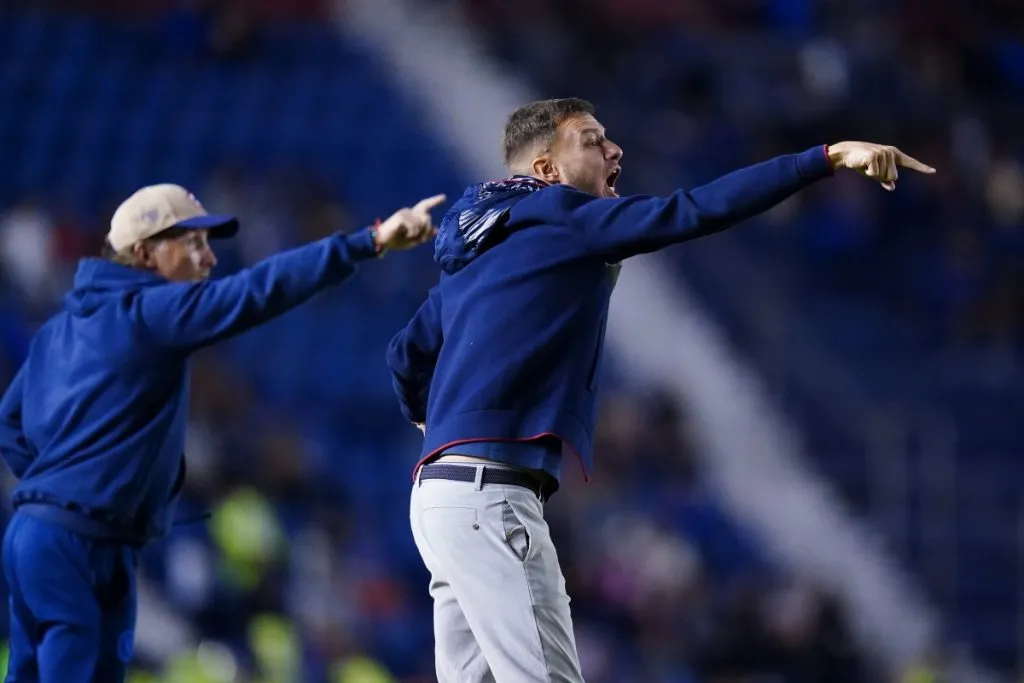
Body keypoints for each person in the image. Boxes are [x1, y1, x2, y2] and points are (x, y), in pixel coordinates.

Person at [385, 97, 935, 683]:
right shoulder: (563, 216)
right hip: (490, 494)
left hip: (438, 498)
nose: (613, 149)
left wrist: (431, 420)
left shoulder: (475, 248)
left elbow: (405, 353)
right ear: (545, 171)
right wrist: (821, 159)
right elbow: (693, 210)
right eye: (591, 139)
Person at [0, 183, 445, 683]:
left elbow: (11, 425)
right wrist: (371, 240)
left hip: (47, 535)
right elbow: (258, 291)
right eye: (192, 244)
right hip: (80, 541)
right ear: (145, 253)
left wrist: (55, 488)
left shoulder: (62, 328)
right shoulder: (149, 313)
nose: (209, 258)